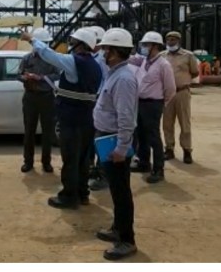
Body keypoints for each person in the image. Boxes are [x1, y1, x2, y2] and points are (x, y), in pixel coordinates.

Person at [21, 27, 102, 209]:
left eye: (73, 41)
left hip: (71, 118)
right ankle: (82, 194)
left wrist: (31, 39)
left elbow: (49, 55)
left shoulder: (75, 62)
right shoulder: (95, 66)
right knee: (82, 159)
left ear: (81, 44)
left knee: (70, 159)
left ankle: (69, 197)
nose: (70, 44)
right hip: (87, 118)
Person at [93, 28, 138, 260]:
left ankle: (127, 240)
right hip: (106, 138)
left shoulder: (124, 79)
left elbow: (126, 117)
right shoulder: (115, 73)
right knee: (115, 189)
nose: (103, 53)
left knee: (121, 193)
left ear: (115, 51)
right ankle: (117, 228)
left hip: (114, 141)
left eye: (106, 49)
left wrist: (121, 148)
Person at [129, 31, 176, 183]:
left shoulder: (163, 65)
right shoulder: (144, 61)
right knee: (141, 134)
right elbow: (129, 60)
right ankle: (144, 163)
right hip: (140, 102)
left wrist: (162, 103)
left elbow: (170, 88)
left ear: (155, 46)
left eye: (146, 44)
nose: (143, 47)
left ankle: (158, 169)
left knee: (153, 136)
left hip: (153, 104)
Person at [18, 27, 60, 173]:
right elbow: (19, 74)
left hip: (47, 97)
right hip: (30, 97)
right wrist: (25, 78)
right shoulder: (27, 58)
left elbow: (58, 75)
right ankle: (28, 162)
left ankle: (46, 162)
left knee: (47, 132)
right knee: (29, 131)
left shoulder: (52, 59)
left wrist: (41, 78)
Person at [160, 31, 199, 164]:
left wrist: (182, 80)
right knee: (167, 123)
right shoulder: (162, 56)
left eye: (173, 39)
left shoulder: (188, 56)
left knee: (184, 122)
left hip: (182, 92)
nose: (171, 42)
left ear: (179, 41)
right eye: (168, 39)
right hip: (167, 94)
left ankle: (187, 150)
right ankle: (169, 148)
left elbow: (195, 72)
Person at [87, 25, 110, 192]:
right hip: (92, 101)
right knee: (92, 138)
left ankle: (103, 174)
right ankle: (94, 168)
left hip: (100, 101)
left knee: (102, 138)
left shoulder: (103, 59)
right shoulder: (92, 57)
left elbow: (106, 81)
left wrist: (99, 98)